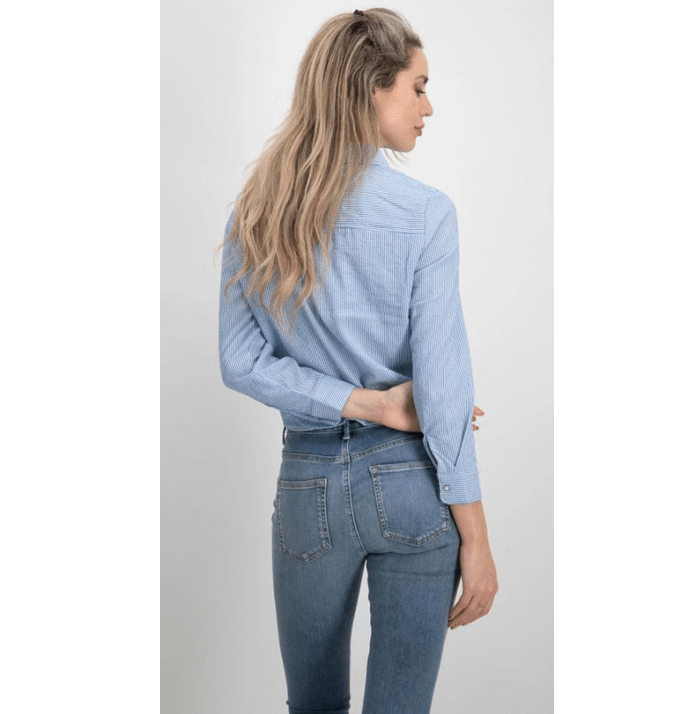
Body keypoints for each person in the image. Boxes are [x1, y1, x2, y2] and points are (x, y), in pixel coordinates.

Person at [218, 9, 498, 713]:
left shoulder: (258, 211)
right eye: (418, 87)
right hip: (412, 484)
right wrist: (478, 541)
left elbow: (240, 361)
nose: (428, 108)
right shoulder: (426, 214)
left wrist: (355, 402)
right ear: (374, 88)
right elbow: (442, 396)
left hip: (307, 485)